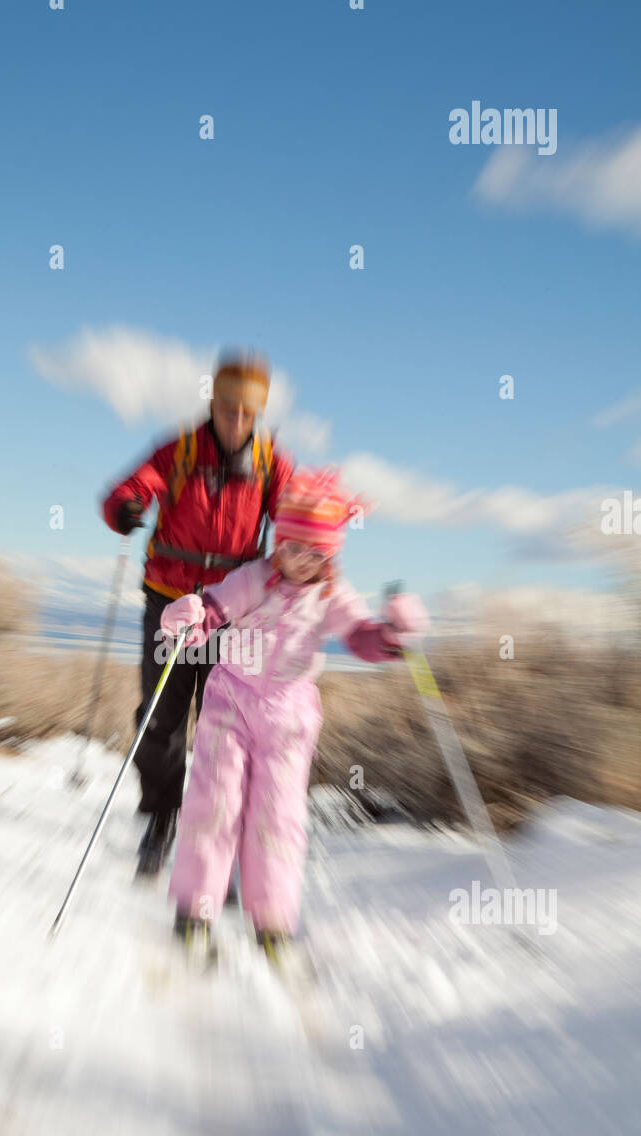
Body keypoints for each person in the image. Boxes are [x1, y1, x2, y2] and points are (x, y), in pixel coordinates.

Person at [159, 468, 428, 962]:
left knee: (278, 816)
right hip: (231, 701)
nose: (302, 560)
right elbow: (214, 610)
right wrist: (189, 617)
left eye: (317, 552)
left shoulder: (332, 596)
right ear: (278, 543)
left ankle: (272, 922)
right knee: (213, 802)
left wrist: (392, 636)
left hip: (290, 715)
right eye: (293, 547)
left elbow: (360, 637)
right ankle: (194, 913)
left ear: (331, 557)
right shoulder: (254, 578)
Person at [100, 351, 296, 875]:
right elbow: (132, 486)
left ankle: (217, 828)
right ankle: (162, 814)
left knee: (224, 723)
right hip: (170, 603)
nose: (237, 420)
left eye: (248, 412)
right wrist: (126, 507)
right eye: (228, 407)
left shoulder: (272, 462)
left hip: (233, 612)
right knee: (162, 715)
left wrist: (321, 539)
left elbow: (299, 515)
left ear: (258, 415)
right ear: (214, 403)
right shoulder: (181, 450)